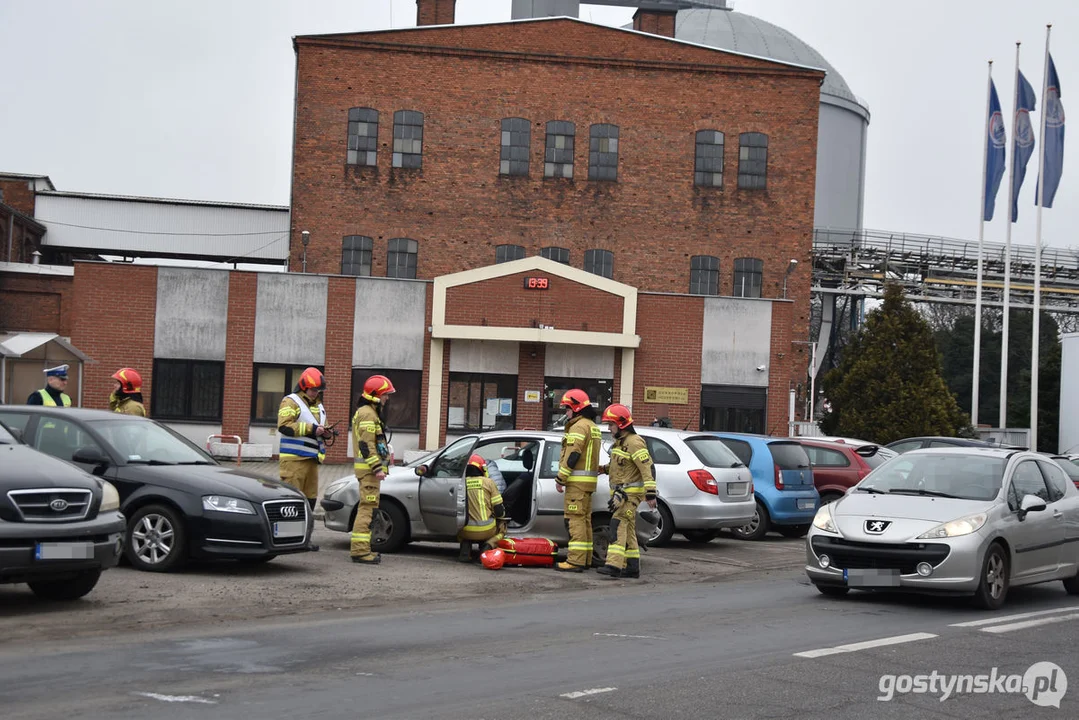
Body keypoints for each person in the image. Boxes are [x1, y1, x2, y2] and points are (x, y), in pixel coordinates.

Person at [597, 403, 658, 579]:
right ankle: (632, 568)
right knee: (629, 530)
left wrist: (650, 493)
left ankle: (614, 565)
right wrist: (603, 469)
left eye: (611, 424)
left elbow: (647, 468)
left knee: (618, 524)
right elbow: (621, 467)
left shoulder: (635, 442)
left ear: (621, 424)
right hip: (621, 494)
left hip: (629, 496)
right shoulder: (620, 443)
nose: (609, 428)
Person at [554, 389, 602, 572]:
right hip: (588, 483)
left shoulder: (578, 426)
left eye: (567, 409)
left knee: (574, 521)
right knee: (585, 521)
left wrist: (561, 477)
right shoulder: (592, 426)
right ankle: (586, 559)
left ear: (576, 408)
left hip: (577, 483)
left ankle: (575, 561)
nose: (566, 413)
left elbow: (573, 454)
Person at [350, 374, 395, 564]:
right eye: (385, 394)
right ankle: (360, 551)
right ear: (376, 395)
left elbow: (373, 442)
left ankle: (363, 548)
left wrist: (385, 455)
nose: (387, 398)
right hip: (369, 472)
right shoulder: (368, 413)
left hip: (370, 472)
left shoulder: (369, 412)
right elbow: (365, 444)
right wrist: (377, 467)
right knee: (367, 509)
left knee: (368, 509)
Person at [277, 367, 329, 514]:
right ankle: (289, 533)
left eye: (318, 390)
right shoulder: (290, 401)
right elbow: (284, 426)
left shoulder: (318, 406)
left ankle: (306, 532)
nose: (316, 393)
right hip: (294, 460)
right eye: (313, 390)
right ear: (304, 387)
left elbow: (321, 426)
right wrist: (311, 429)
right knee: (291, 499)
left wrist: (326, 433)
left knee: (311, 498)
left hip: (312, 460)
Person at [457, 454, 506, 562]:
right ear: (483, 468)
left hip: (464, 530)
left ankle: (465, 546)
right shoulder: (489, 482)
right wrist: (501, 518)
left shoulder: (460, 483)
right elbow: (498, 510)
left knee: (458, 526)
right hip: (486, 530)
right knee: (503, 528)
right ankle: (488, 545)